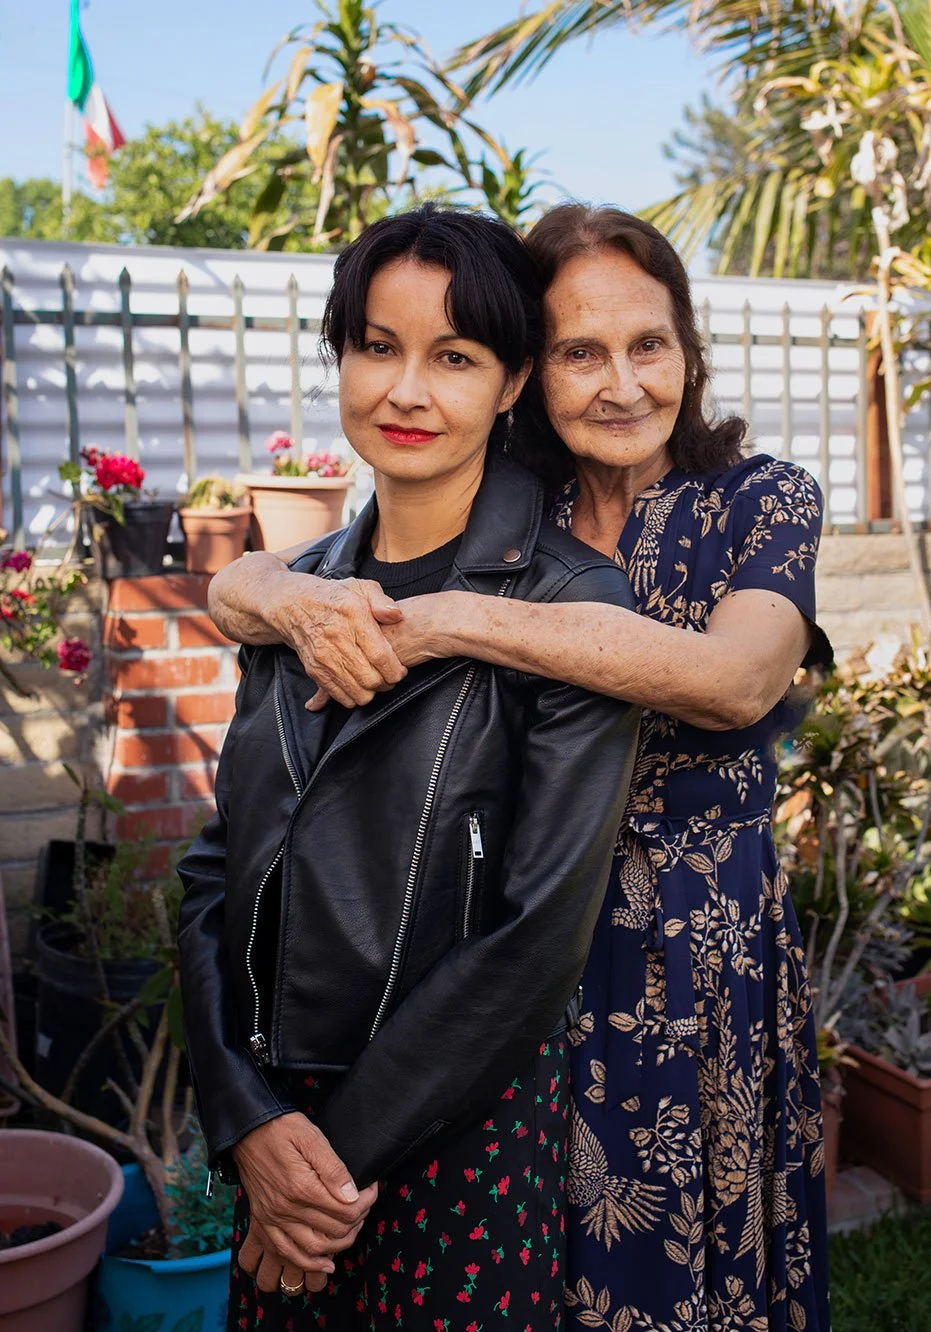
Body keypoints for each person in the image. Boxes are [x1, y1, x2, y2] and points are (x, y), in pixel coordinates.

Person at [209, 204, 833, 1331]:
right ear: (527, 376)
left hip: (682, 946)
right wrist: (272, 591)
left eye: (649, 345)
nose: (623, 383)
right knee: (550, 1271)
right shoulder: (507, 505)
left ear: (689, 350)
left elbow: (737, 681)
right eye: (577, 353)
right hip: (493, 952)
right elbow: (265, 581)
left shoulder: (755, 499)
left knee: (683, 1253)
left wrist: (448, 620)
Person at [177, 204, 641, 1332]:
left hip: (451, 1132)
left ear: (513, 380)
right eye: (376, 347)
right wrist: (246, 1120)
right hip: (276, 1123)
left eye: (456, 358)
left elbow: (533, 936)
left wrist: (323, 1174)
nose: (406, 391)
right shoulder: (301, 593)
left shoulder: (571, 606)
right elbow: (213, 869)